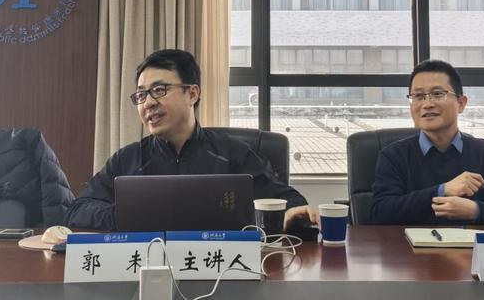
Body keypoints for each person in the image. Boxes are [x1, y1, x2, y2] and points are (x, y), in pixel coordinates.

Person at [65, 48, 317, 231]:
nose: (148, 103)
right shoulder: (128, 159)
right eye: (141, 95)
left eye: (159, 90)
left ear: (192, 94)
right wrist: (132, 214)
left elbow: (289, 201)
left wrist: (292, 211)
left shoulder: (233, 154)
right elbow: (79, 209)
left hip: (221, 271)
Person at [371, 59, 484, 226]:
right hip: (408, 245)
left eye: (438, 94)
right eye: (418, 96)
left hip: (472, 245)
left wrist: (476, 210)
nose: (427, 104)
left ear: (461, 103)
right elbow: (379, 213)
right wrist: (442, 191)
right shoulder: (393, 156)